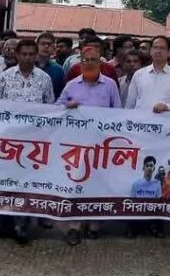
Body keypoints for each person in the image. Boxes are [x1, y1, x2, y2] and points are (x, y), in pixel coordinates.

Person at [0, 39, 55, 244]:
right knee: (7, 181)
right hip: (9, 140)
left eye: (31, 54)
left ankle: (24, 224)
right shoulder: (5, 76)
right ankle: (5, 221)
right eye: (24, 54)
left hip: (34, 142)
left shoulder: (44, 78)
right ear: (17, 55)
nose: (27, 58)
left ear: (36, 55)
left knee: (27, 183)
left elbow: (50, 108)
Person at [56, 44, 121, 245]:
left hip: (101, 145)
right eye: (85, 60)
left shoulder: (110, 85)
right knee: (75, 184)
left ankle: (94, 223)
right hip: (76, 144)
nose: (89, 63)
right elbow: (56, 108)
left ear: (100, 62)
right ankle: (73, 226)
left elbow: (119, 113)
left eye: (93, 60)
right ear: (80, 62)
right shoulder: (71, 85)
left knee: (98, 184)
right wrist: (67, 106)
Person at [125, 35, 170, 113]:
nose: (158, 51)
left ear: (168, 52)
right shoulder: (139, 74)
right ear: (151, 51)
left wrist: (167, 106)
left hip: (164, 119)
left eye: (162, 48)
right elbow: (130, 103)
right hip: (139, 119)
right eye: (155, 47)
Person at [36, 32, 67, 97]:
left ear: (53, 48)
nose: (46, 46)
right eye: (43, 44)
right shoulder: (28, 67)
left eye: (49, 44)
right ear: (36, 46)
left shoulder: (58, 70)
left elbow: (61, 94)